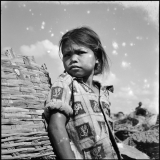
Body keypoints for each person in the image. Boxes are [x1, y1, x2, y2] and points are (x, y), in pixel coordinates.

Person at [43, 26, 122, 159]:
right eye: (67, 54)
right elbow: (56, 126)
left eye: (80, 52)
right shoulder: (65, 83)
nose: (73, 59)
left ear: (96, 57)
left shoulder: (103, 92)